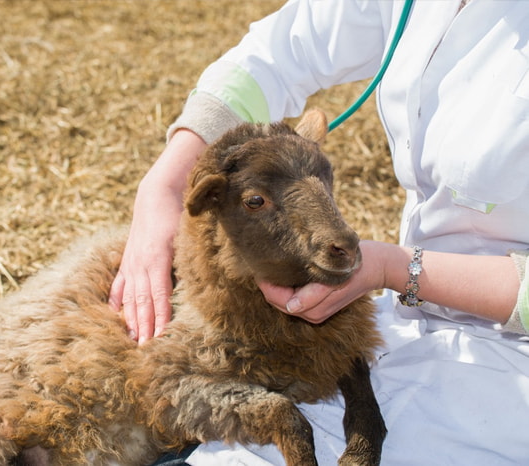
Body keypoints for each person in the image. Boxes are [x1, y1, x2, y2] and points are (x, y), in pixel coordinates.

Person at [109, 0, 529, 464]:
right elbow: (281, 52)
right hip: (403, 321)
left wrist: (397, 268)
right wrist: (164, 183)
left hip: (507, 372)